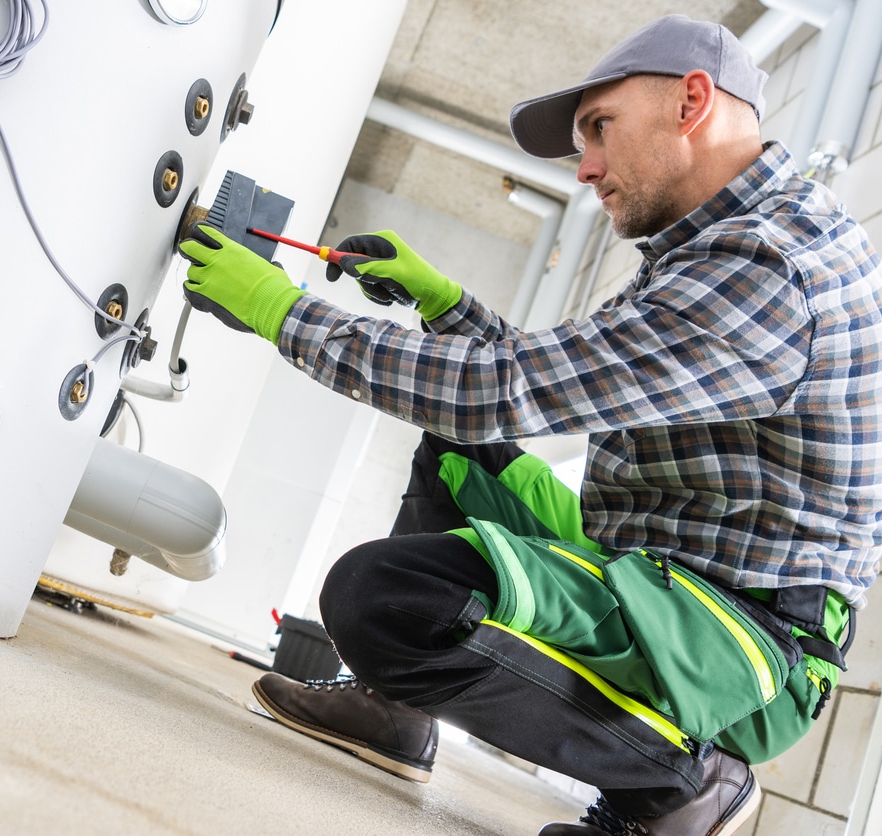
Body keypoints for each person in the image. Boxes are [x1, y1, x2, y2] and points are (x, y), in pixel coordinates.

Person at [177, 14, 881, 836]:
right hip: (657, 569)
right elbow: (554, 376)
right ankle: (396, 710)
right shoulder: (713, 248)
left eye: (598, 130)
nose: (585, 168)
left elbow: (506, 392)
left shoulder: (768, 270)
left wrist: (280, 311)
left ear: (692, 102)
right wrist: (443, 305)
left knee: (382, 599)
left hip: (746, 643)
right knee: (459, 453)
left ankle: (682, 786)